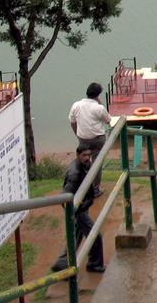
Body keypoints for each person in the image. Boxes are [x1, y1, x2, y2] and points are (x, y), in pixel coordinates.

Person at [51, 145, 105, 274]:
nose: (87, 158)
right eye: (84, 156)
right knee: (95, 236)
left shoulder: (84, 166)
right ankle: (94, 265)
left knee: (75, 238)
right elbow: (65, 196)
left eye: (89, 155)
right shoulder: (74, 173)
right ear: (77, 155)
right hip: (78, 211)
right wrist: (74, 212)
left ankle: (62, 264)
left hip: (81, 208)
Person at [68, 82, 111, 195]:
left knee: (83, 162)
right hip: (98, 139)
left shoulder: (76, 105)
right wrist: (100, 103)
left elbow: (72, 122)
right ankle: (95, 189)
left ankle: (81, 187)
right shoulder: (99, 108)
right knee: (97, 163)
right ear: (98, 95)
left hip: (83, 138)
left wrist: (77, 134)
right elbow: (108, 120)